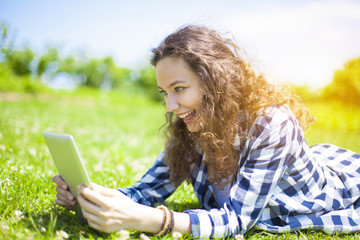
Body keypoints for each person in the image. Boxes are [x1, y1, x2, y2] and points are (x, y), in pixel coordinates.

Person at [52, 25, 360, 238]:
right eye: (164, 92)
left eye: (179, 89)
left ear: (216, 81)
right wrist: (92, 197)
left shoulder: (273, 124)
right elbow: (145, 192)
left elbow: (237, 220)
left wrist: (150, 220)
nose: (171, 105)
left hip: (340, 192)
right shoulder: (192, 127)